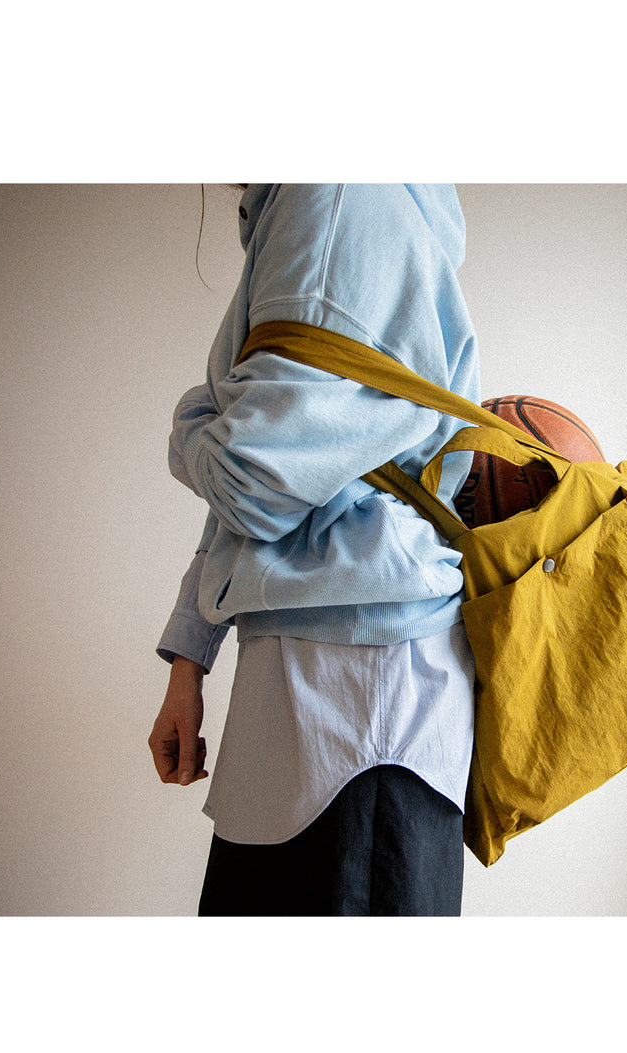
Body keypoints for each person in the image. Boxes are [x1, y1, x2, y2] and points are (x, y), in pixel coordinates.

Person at [148, 184, 480, 916]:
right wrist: (189, 658)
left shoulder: (334, 193)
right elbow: (287, 474)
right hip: (336, 693)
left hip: (352, 711)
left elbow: (251, 481)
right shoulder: (332, 197)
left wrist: (191, 421)